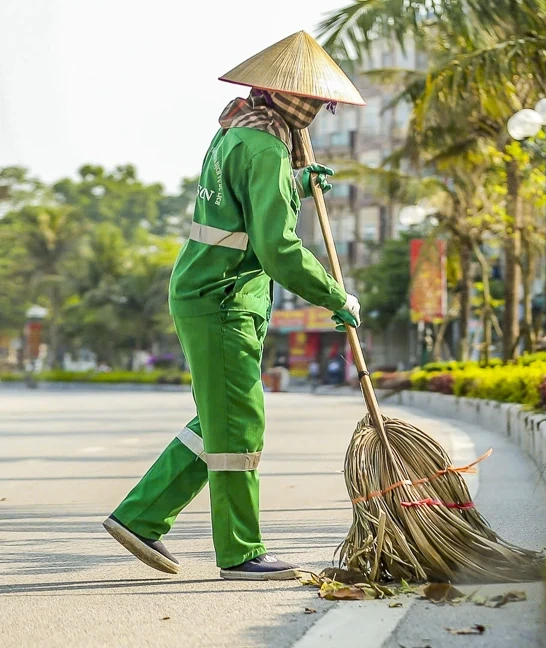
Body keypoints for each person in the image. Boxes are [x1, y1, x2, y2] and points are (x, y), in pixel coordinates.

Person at [102, 32, 365, 580]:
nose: (318, 114)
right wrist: (334, 295)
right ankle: (240, 552)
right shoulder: (268, 149)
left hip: (208, 291)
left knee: (218, 420)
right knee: (238, 426)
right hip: (222, 298)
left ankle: (140, 517)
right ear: (296, 101)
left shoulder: (236, 131)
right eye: (316, 104)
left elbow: (241, 204)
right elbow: (277, 249)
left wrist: (295, 181)